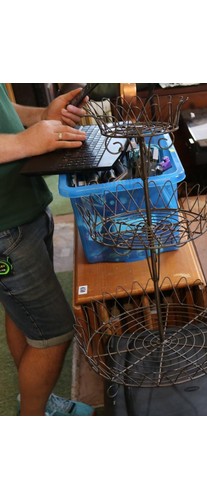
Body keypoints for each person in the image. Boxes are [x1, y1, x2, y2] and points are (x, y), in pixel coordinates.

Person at [0, 83, 94, 416]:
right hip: (5, 230)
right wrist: (26, 141)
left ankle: (35, 402)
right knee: (54, 333)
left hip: (23, 205)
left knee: (24, 316)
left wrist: (41, 117)